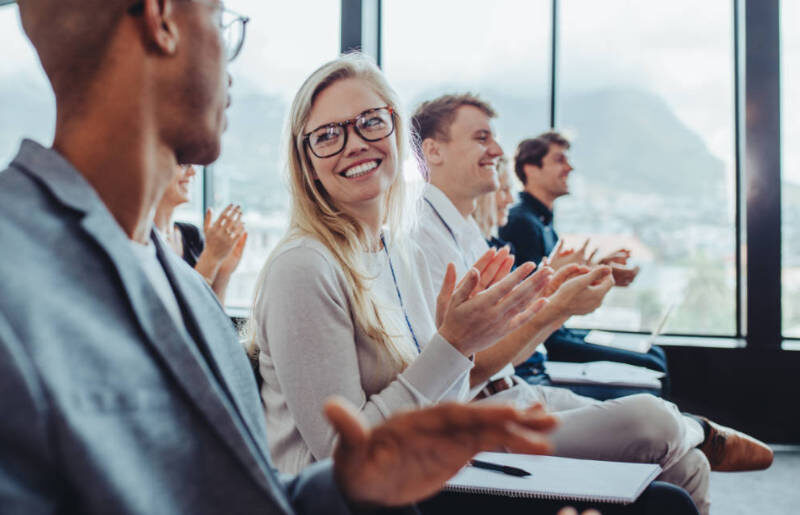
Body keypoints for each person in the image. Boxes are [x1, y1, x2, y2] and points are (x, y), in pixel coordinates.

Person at [0, 2, 560, 513]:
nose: (232, 68)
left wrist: (352, 483)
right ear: (162, 18)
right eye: (220, 22)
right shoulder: (15, 279)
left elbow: (246, 497)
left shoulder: (181, 283)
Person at [250, 54, 698, 515]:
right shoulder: (304, 266)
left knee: (680, 477)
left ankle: (694, 433)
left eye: (370, 121)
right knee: (665, 500)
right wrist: (456, 344)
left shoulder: (396, 251)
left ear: (398, 131)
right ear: (305, 161)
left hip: (426, 469)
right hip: (368, 502)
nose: (354, 144)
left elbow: (443, 393)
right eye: (327, 135)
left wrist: (464, 345)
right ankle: (697, 429)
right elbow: (346, 459)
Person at [411, 93, 775, 515]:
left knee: (689, 464)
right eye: (481, 138)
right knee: (652, 420)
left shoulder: (467, 236)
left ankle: (692, 436)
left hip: (516, 391)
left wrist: (558, 289)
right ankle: (694, 428)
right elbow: (461, 367)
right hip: (480, 411)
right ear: (432, 151)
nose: (497, 150)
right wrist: (557, 305)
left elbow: (504, 331)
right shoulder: (422, 241)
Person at [498, 133, 670, 386]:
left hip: (560, 332)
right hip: (545, 339)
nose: (570, 168)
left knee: (655, 353)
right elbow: (537, 292)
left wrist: (600, 269)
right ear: (531, 169)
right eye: (559, 160)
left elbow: (553, 277)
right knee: (652, 362)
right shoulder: (522, 222)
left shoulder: (542, 223)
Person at [154, 163, 247, 303]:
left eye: (193, 165)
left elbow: (212, 317)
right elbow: (175, 319)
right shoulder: (142, 243)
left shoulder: (191, 235)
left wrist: (223, 271)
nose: (193, 172)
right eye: (183, 164)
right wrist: (211, 258)